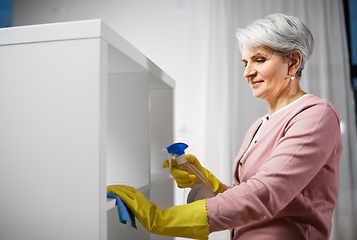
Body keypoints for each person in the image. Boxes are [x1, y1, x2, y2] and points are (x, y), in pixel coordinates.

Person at [108, 13, 342, 240]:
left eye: (259, 60)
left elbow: (266, 193)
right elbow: (247, 196)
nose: (248, 72)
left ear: (293, 61)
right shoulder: (258, 126)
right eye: (245, 62)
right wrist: (209, 183)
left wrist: (161, 219)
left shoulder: (316, 116)